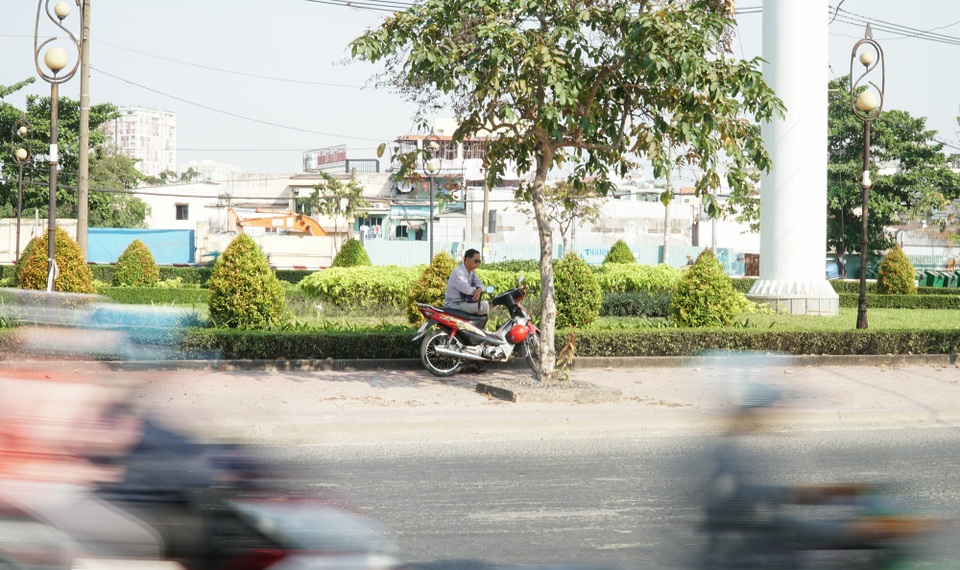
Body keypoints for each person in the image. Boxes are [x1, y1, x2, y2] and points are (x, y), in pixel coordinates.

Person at [444, 248, 489, 316]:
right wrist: (477, 290)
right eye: (476, 261)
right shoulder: (458, 273)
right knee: (484, 305)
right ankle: (478, 327)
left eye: (479, 261)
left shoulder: (472, 273)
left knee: (482, 305)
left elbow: (481, 285)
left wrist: (479, 290)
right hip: (454, 305)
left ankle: (474, 326)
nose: (478, 264)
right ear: (467, 260)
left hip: (464, 304)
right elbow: (467, 290)